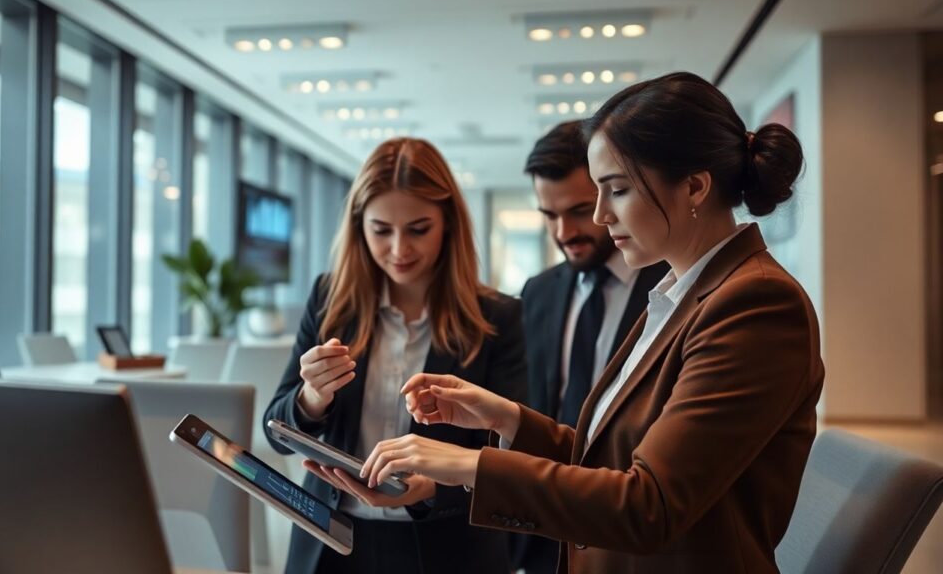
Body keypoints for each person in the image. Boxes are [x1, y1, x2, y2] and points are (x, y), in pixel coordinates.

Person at [358, 72, 825, 573]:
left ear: (694, 186)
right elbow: (613, 459)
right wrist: (505, 418)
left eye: (616, 190)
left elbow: (649, 504)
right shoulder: (684, 293)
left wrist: (469, 464)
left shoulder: (755, 303)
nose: (601, 216)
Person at [263, 137, 527, 574]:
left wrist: (432, 489)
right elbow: (275, 432)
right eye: (381, 230)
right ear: (358, 226)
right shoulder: (330, 300)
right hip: (330, 544)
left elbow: (514, 466)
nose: (399, 249)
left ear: (448, 224)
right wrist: (311, 397)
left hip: (447, 550)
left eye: (418, 229)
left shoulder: (498, 318)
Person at [516, 121, 668, 574]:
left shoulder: (670, 289)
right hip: (542, 532)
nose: (565, 231)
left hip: (629, 533)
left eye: (580, 210)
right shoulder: (537, 292)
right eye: (548, 215)